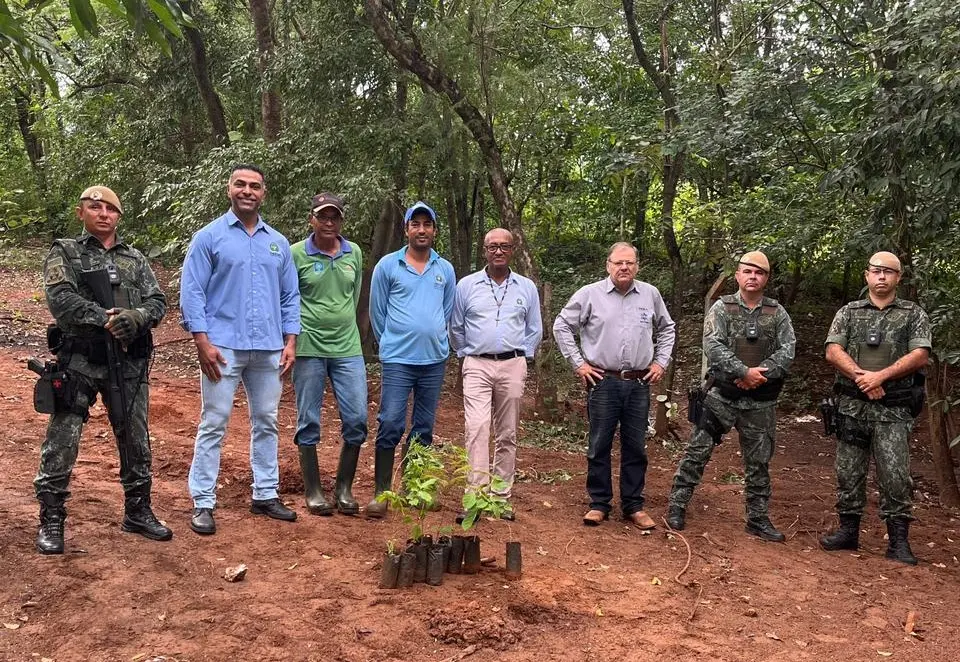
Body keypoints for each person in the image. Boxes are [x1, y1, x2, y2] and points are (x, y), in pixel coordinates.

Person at [34, 186, 172, 554]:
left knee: (135, 439)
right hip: (80, 361)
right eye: (95, 207)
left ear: (119, 217)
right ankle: (51, 518)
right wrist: (106, 319)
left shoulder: (135, 259)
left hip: (128, 363)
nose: (103, 214)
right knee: (63, 439)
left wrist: (136, 318)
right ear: (82, 213)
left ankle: (138, 510)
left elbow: (158, 300)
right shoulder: (65, 251)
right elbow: (61, 300)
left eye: (111, 209)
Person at [180, 164, 301, 535]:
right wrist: (202, 341)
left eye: (255, 186)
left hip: (268, 349)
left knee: (266, 422)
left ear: (264, 193)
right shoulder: (209, 238)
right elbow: (192, 291)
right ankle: (203, 501)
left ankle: (265, 493)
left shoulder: (277, 243)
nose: (248, 191)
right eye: (241, 184)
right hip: (222, 348)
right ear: (229, 189)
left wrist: (290, 341)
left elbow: (289, 295)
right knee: (213, 423)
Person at [666, 251, 795, 541]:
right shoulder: (722, 309)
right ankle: (677, 506)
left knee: (759, 461)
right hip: (721, 397)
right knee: (697, 452)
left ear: (766, 278)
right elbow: (713, 346)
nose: (753, 276)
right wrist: (742, 371)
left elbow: (787, 352)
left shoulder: (777, 313)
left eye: (759, 272)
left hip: (760, 401)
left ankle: (758, 518)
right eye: (747, 271)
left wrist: (758, 375)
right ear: (737, 274)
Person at [553, 242, 676, 529]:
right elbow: (562, 325)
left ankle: (633, 505)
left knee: (636, 446)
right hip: (603, 381)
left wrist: (660, 363)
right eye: (618, 263)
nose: (624, 267)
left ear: (637, 266)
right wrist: (579, 364)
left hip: (638, 382)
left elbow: (668, 328)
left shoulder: (650, 294)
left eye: (629, 263)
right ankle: (599, 503)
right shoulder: (590, 295)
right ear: (608, 265)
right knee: (599, 444)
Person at [819, 251, 930, 565]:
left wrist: (881, 376)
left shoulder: (912, 314)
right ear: (866, 275)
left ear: (898, 277)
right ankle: (848, 531)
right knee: (848, 472)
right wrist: (862, 378)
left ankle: (898, 541)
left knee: (895, 475)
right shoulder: (849, 313)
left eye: (888, 272)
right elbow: (832, 350)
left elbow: (920, 354)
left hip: (893, 411)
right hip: (852, 408)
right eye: (875, 271)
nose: (881, 277)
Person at [366, 201, 455, 518]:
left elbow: (445, 311)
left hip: (433, 360)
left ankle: (413, 489)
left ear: (433, 230)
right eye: (415, 224)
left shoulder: (444, 269)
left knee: (423, 426)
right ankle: (381, 493)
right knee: (390, 421)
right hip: (398, 359)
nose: (421, 230)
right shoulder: (388, 267)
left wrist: (434, 336)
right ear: (406, 230)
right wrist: (391, 341)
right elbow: (378, 313)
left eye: (427, 224)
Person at [450, 228, 542, 521]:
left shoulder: (526, 287)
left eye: (504, 246)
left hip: (512, 364)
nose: (498, 251)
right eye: (493, 247)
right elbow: (456, 326)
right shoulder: (466, 285)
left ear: (512, 250)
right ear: (485, 251)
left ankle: (501, 497)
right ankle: (475, 498)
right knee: (477, 428)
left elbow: (534, 328)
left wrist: (522, 356)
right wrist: (467, 352)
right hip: (476, 363)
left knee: (508, 432)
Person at [290, 193, 367, 516]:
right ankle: (314, 491)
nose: (329, 222)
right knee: (308, 419)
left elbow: (355, 294)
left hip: (347, 348)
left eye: (334, 217)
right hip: (308, 347)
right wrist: (289, 342)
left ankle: (344, 488)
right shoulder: (296, 254)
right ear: (312, 219)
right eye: (323, 216)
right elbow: (288, 298)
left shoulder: (354, 253)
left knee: (358, 418)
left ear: (341, 221)